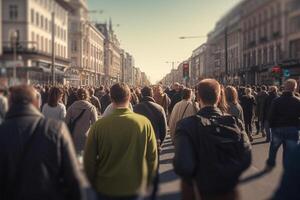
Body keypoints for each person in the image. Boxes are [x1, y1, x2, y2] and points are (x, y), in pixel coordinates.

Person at [0, 85, 92, 200]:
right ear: (36, 103)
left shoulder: (3, 131)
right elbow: (73, 178)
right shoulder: (56, 129)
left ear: (9, 104)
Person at [173, 79, 251, 200]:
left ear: (198, 98)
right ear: (219, 98)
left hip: (201, 191)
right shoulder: (234, 122)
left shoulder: (186, 125)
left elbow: (183, 165)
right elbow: (246, 157)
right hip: (228, 191)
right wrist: (228, 174)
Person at [84, 83, 158, 200]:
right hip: (135, 186)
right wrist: (148, 181)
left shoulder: (98, 126)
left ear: (111, 98)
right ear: (129, 97)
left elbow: (89, 160)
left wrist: (94, 182)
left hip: (106, 187)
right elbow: (152, 158)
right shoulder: (144, 123)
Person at [133, 86, 167, 200]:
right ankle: (153, 194)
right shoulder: (159, 108)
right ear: (151, 94)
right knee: (154, 171)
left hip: (139, 144)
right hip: (155, 144)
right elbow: (164, 130)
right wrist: (159, 143)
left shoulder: (135, 108)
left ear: (141, 95)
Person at [266, 79, 300, 170]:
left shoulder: (277, 100)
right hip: (293, 129)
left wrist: (272, 127)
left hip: (278, 128)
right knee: (289, 151)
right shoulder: (298, 101)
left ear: (285, 87)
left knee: (274, 148)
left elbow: (271, 116)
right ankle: (287, 166)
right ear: (294, 88)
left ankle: (271, 163)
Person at [66, 88, 98, 153]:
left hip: (74, 136)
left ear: (77, 96)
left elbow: (66, 122)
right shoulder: (91, 108)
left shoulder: (71, 107)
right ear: (87, 95)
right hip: (86, 137)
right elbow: (95, 125)